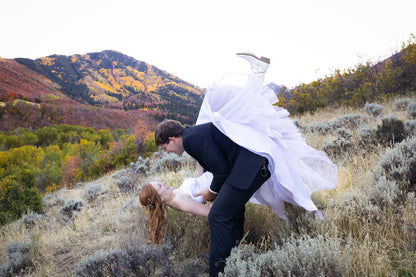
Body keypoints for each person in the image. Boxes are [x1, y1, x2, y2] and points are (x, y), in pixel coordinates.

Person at [152, 53, 337, 276]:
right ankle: (233, 255)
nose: (167, 153)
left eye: (165, 148)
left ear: (171, 139)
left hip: (251, 165)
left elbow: (221, 170)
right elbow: (215, 164)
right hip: (253, 163)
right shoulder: (195, 134)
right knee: (231, 209)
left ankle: (218, 270)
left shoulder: (191, 140)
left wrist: (210, 193)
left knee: (217, 215)